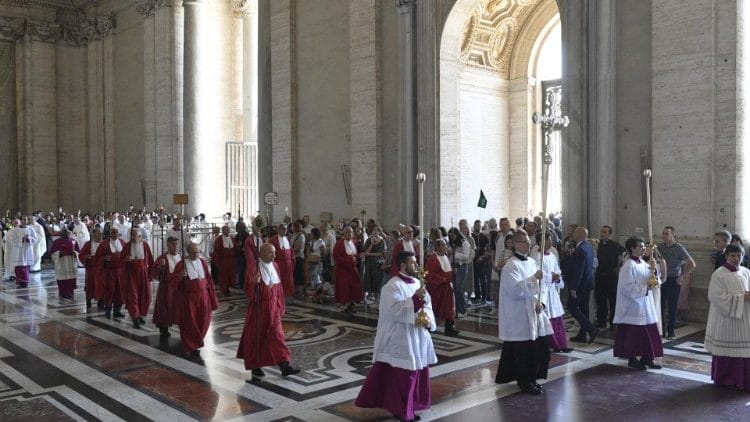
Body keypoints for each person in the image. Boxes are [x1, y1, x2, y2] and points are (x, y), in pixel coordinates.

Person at [355, 251, 437, 422]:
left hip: (417, 335)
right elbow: (395, 311)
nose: (416, 265)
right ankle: (402, 411)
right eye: (413, 262)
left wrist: (426, 318)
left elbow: (427, 304)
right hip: (400, 337)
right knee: (404, 376)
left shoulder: (417, 283)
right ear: (402, 265)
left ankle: (412, 406)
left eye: (416, 262)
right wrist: (415, 300)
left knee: (417, 372)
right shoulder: (391, 286)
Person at [237, 243, 300, 383]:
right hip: (259, 309)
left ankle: (285, 365)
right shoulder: (253, 268)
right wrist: (254, 283)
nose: (275, 255)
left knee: (277, 336)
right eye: (271, 253)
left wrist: (280, 305)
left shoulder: (275, 266)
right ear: (262, 254)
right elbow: (249, 292)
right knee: (256, 337)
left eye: (275, 252)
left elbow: (278, 288)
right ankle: (255, 366)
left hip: (273, 308)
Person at [495, 231, 550, 395]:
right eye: (524, 242)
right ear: (515, 244)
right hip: (518, 314)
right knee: (522, 350)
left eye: (528, 241)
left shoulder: (533, 262)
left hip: (534, 311)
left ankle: (532, 378)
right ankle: (524, 381)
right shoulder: (511, 266)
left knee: (535, 348)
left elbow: (544, 286)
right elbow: (515, 291)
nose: (527, 245)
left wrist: (542, 302)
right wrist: (534, 279)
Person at [612, 237, 664, 370]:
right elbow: (627, 286)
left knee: (649, 331)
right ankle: (632, 358)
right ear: (632, 248)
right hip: (633, 305)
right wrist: (644, 289)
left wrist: (655, 273)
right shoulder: (629, 265)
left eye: (643, 246)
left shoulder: (644, 262)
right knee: (634, 334)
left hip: (645, 303)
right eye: (640, 246)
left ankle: (648, 357)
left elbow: (651, 278)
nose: (644, 249)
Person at [704, 244, 750, 391]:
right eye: (733, 256)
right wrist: (742, 298)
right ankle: (727, 378)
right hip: (727, 319)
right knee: (728, 349)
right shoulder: (719, 274)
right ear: (726, 256)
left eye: (739, 255)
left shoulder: (746, 272)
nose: (736, 259)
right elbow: (715, 297)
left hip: (744, 317)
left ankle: (744, 379)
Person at [173, 242, 219, 360]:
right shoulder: (181, 265)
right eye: (193, 252)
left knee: (204, 320)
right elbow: (173, 283)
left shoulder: (202, 262)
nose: (196, 254)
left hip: (203, 296)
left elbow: (208, 279)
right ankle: (192, 346)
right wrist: (179, 277)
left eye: (197, 252)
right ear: (188, 252)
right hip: (189, 298)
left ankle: (197, 342)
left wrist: (212, 297)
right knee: (191, 323)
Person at [535, 233, 571, 353]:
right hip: (543, 291)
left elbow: (557, 269)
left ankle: (562, 344)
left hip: (552, 291)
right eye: (548, 240)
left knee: (557, 317)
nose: (551, 243)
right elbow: (537, 274)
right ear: (540, 242)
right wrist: (551, 277)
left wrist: (557, 277)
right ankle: (551, 344)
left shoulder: (552, 255)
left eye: (551, 240)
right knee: (546, 318)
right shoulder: (536, 257)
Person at [659, 226, 696, 340]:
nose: (664, 236)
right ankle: (661, 329)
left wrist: (682, 276)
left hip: (673, 280)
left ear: (673, 235)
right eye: (663, 233)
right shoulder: (660, 247)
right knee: (660, 305)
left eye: (666, 234)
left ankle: (671, 331)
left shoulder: (679, 248)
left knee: (672, 306)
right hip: (661, 280)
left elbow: (692, 263)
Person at [567, 227, 599, 344]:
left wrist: (574, 287)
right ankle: (582, 334)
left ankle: (591, 329)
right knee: (584, 308)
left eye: (575, 232)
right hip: (587, 283)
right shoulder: (588, 247)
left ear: (580, 235)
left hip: (580, 285)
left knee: (571, 306)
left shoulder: (580, 249)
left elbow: (579, 270)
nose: (573, 234)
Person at [425, 239, 459, 336]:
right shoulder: (432, 258)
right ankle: (429, 326)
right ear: (438, 247)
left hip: (447, 288)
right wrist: (442, 279)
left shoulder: (445, 256)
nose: (445, 247)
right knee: (435, 307)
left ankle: (449, 328)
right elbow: (429, 273)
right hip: (437, 289)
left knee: (449, 308)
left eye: (445, 245)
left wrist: (453, 273)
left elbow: (448, 270)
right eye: (443, 245)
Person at [594, 225, 626, 329]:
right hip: (599, 276)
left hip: (611, 276)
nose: (603, 234)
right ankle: (601, 321)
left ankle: (613, 321)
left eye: (605, 232)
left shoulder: (615, 245)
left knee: (613, 300)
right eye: (602, 232)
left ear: (610, 234)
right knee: (600, 300)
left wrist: (620, 265)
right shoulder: (596, 245)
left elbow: (625, 253)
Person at [123, 228, 154, 328]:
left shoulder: (145, 245)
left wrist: (151, 274)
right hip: (131, 273)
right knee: (133, 296)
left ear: (140, 236)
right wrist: (126, 260)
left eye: (135, 235)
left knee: (145, 296)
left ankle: (140, 314)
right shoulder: (127, 246)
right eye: (131, 235)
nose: (132, 237)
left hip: (143, 273)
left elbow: (151, 261)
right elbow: (121, 261)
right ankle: (135, 318)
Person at [151, 236, 181, 337]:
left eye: (177, 244)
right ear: (168, 246)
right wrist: (160, 267)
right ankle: (163, 328)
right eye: (173, 244)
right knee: (164, 308)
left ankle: (182, 325)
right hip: (166, 287)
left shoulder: (181, 257)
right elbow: (155, 274)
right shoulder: (162, 258)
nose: (175, 246)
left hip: (178, 287)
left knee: (179, 308)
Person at [95, 227, 127, 319]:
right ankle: (107, 311)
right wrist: (104, 259)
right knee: (110, 291)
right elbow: (97, 258)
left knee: (120, 291)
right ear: (110, 234)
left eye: (116, 232)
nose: (114, 234)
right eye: (113, 232)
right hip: (109, 272)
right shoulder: (104, 244)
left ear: (118, 234)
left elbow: (126, 254)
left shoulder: (122, 243)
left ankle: (117, 311)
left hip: (120, 272)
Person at [334, 226, 364, 314]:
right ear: (344, 233)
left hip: (352, 270)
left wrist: (358, 257)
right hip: (343, 270)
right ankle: (347, 305)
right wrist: (349, 260)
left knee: (354, 287)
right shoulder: (339, 243)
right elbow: (336, 257)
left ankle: (351, 304)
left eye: (351, 232)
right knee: (345, 288)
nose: (350, 234)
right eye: (347, 232)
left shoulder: (353, 243)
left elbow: (354, 255)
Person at [49, 228, 80, 299]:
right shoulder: (56, 242)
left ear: (69, 233)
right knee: (62, 280)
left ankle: (70, 293)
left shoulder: (73, 241)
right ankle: (63, 293)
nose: (66, 234)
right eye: (64, 232)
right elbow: (52, 253)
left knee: (71, 280)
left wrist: (75, 253)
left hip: (70, 263)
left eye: (67, 232)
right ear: (61, 233)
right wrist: (59, 253)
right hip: (61, 263)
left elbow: (78, 252)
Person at [448, 227, 472, 317]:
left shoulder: (464, 243)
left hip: (461, 268)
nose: (452, 237)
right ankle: (457, 309)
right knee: (454, 289)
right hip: (453, 267)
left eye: (453, 235)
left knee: (458, 289)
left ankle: (462, 310)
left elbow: (466, 256)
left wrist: (455, 254)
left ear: (457, 234)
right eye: (450, 236)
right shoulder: (452, 244)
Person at [80, 228, 106, 309]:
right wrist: (86, 257)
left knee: (101, 286)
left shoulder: (104, 244)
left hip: (102, 269)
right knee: (90, 285)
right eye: (98, 234)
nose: (100, 235)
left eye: (101, 234)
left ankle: (101, 302)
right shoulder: (88, 244)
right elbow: (81, 255)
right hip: (91, 269)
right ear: (93, 235)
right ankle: (88, 301)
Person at [8, 217, 37, 288]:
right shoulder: (15, 230)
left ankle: (25, 281)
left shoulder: (31, 229)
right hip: (18, 251)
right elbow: (12, 240)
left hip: (27, 250)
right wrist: (22, 239)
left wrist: (29, 238)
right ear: (21, 220)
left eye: (27, 220)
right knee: (19, 266)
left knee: (26, 266)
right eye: (24, 219)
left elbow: (35, 238)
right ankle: (20, 281)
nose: (25, 221)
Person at [361, 226, 385, 302]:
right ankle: (369, 294)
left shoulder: (382, 241)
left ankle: (377, 297)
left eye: (376, 230)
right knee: (369, 277)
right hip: (369, 263)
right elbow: (365, 251)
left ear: (379, 232)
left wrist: (369, 254)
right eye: (373, 230)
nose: (374, 231)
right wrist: (372, 244)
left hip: (377, 263)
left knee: (377, 279)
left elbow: (381, 253)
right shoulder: (368, 240)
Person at [270, 224, 295, 299]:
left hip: (288, 265)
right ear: (279, 230)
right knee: (280, 281)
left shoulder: (287, 239)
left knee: (289, 282)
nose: (285, 231)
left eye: (286, 229)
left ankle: (288, 296)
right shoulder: (273, 240)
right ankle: (280, 297)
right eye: (283, 229)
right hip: (279, 265)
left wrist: (292, 261)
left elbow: (291, 251)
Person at [212, 225, 236, 297]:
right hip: (223, 261)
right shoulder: (219, 240)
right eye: (225, 230)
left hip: (231, 261)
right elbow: (216, 251)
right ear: (222, 231)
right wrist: (216, 261)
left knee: (231, 275)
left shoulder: (232, 238)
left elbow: (235, 248)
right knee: (224, 276)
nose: (227, 231)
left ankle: (230, 288)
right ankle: (224, 290)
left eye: (228, 230)